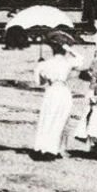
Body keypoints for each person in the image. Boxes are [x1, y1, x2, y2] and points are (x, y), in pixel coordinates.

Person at [31, 32, 81, 161]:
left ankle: (43, 148)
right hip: (63, 92)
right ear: (63, 49)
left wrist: (38, 67)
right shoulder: (67, 62)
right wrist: (70, 50)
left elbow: (39, 82)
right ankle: (55, 148)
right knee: (60, 120)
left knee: (47, 119)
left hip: (51, 91)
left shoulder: (45, 64)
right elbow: (81, 60)